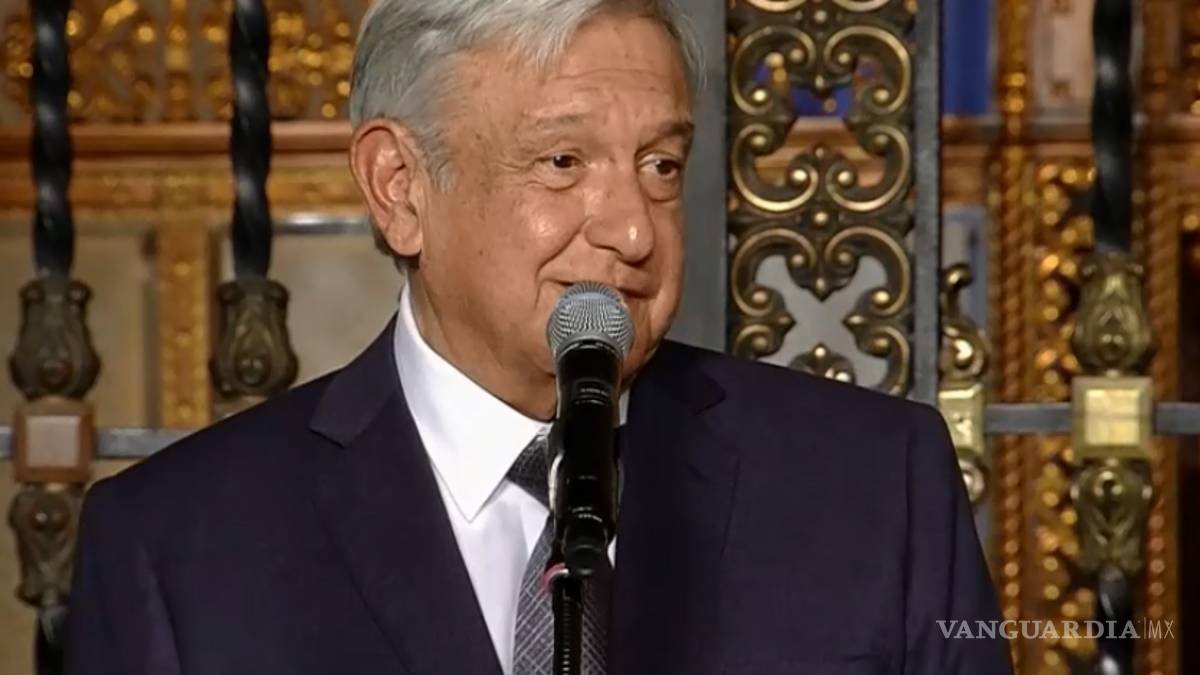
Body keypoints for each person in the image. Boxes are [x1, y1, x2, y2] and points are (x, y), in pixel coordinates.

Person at [64, 1, 1012, 673]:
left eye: (660, 165)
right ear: (400, 187)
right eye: (563, 162)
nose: (634, 230)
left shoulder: (875, 486)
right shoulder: (177, 548)